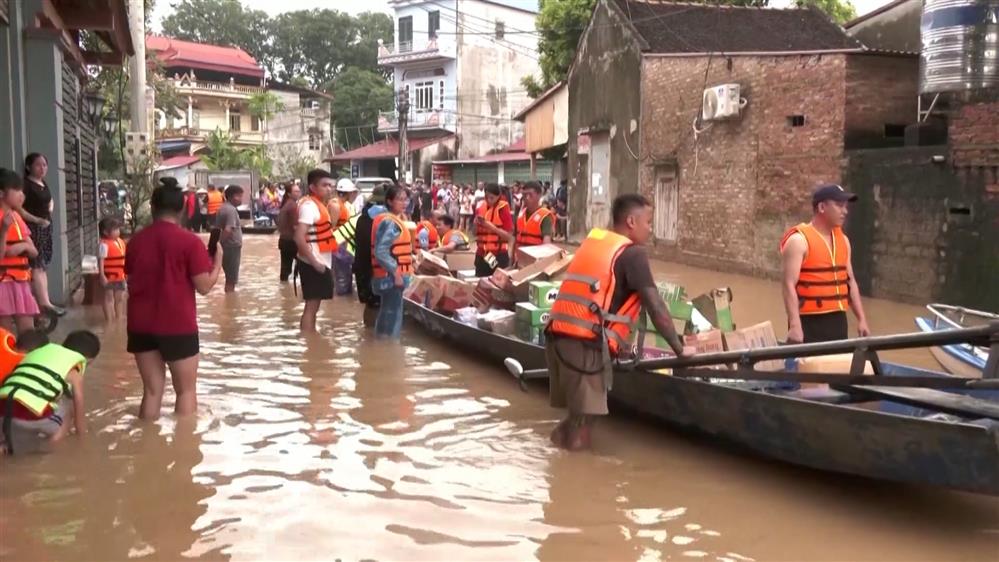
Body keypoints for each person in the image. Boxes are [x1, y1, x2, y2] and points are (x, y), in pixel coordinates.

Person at [547, 194, 695, 451]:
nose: (650, 229)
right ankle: (576, 483)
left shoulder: (595, 242)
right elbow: (654, 303)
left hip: (558, 337)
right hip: (584, 345)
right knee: (584, 420)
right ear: (631, 221)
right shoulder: (633, 253)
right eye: (648, 222)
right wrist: (680, 349)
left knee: (576, 416)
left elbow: (610, 299)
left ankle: (555, 456)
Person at [126, 179, 222, 420]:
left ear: (152, 206)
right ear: (182, 209)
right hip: (177, 324)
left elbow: (131, 278)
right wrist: (218, 260)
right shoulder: (190, 242)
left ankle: (146, 446)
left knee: (151, 391)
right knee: (186, 391)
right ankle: (183, 448)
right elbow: (204, 287)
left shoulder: (135, 242)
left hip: (140, 324)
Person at [780, 184, 870, 344]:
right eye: (839, 206)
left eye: (846, 206)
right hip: (809, 322)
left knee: (836, 365)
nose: (845, 211)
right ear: (822, 207)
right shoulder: (798, 241)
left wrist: (861, 319)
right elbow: (788, 285)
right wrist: (795, 325)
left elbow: (850, 282)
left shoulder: (844, 241)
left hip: (838, 320)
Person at [0, 330, 100, 454]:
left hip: (3, 407)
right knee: (69, 412)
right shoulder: (75, 374)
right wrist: (83, 439)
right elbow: (78, 411)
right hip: (27, 414)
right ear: (88, 360)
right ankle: (50, 447)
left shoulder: (41, 351)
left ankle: (5, 447)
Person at [18, 153, 63, 317]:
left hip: (45, 228)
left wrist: (49, 210)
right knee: (36, 264)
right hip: (33, 229)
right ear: (29, 167)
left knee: (43, 265)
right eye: (38, 165)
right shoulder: (25, 185)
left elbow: (49, 200)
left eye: (44, 165)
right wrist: (36, 219)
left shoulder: (43, 183)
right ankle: (43, 302)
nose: (42, 168)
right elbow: (18, 208)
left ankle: (46, 300)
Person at [295, 169, 337, 332]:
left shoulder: (319, 205)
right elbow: (299, 237)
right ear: (312, 187)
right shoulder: (309, 206)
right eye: (324, 185)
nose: (329, 189)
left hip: (319, 261)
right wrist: (315, 262)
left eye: (330, 185)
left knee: (314, 306)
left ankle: (310, 341)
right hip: (313, 263)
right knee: (311, 307)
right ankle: (308, 341)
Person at [0, 169, 40, 335]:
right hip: (3, 283)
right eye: (16, 190)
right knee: (4, 336)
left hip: (21, 282)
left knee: (28, 334)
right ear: (1, 193)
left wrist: (21, 247)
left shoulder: (17, 218)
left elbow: (34, 251)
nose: (21, 194)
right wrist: (3, 230)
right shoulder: (7, 220)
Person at [371, 186, 413, 339]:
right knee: (393, 317)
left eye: (405, 199)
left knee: (387, 313)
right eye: (400, 199)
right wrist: (396, 273)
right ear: (389, 201)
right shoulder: (390, 222)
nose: (404, 203)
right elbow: (381, 252)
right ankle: (389, 351)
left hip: (388, 275)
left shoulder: (390, 219)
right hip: (391, 277)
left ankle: (381, 349)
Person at [354, 184, 387, 326]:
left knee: (370, 304)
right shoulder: (381, 220)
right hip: (374, 269)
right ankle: (375, 341)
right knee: (377, 305)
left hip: (362, 267)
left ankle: (368, 338)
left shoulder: (363, 217)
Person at [473, 183, 514, 277]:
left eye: (492, 198)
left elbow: (509, 237)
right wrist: (475, 224)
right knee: (480, 283)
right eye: (486, 197)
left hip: (497, 255)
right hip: (481, 254)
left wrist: (491, 227)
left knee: (497, 282)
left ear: (498, 196)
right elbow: (474, 233)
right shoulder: (480, 207)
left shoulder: (502, 209)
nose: (488, 200)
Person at [514, 180, 555, 262]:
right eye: (524, 195)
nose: (527, 198)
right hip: (519, 260)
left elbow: (547, 244)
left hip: (535, 262)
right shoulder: (521, 215)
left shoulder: (545, 217)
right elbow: (514, 238)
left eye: (530, 195)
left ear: (539, 195)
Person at [98, 217, 127, 322]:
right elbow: (101, 260)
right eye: (115, 229)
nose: (118, 231)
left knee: (120, 298)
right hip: (108, 276)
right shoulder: (104, 245)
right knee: (108, 298)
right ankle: (109, 320)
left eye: (118, 229)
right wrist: (102, 275)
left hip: (120, 276)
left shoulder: (120, 242)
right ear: (106, 232)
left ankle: (119, 318)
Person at [217, 185, 244, 293]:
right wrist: (219, 244)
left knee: (229, 277)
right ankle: (230, 302)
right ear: (233, 197)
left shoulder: (223, 208)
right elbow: (228, 230)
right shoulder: (231, 210)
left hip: (228, 246)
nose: (241, 199)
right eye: (240, 196)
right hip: (231, 246)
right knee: (231, 280)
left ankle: (230, 303)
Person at [276, 182, 302, 282]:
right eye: (295, 191)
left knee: (285, 269)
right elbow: (296, 227)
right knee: (304, 265)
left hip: (284, 240)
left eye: (299, 191)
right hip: (292, 242)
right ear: (289, 194)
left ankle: (285, 291)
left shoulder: (286, 204)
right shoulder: (292, 206)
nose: (298, 193)